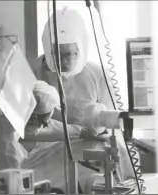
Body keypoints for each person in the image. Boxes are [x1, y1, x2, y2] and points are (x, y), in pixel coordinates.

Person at [30, 8, 135, 188]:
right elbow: (29, 126)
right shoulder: (33, 73)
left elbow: (113, 124)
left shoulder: (98, 75)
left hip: (91, 150)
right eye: (57, 54)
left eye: (69, 54)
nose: (62, 62)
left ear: (81, 48)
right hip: (49, 151)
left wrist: (98, 129)